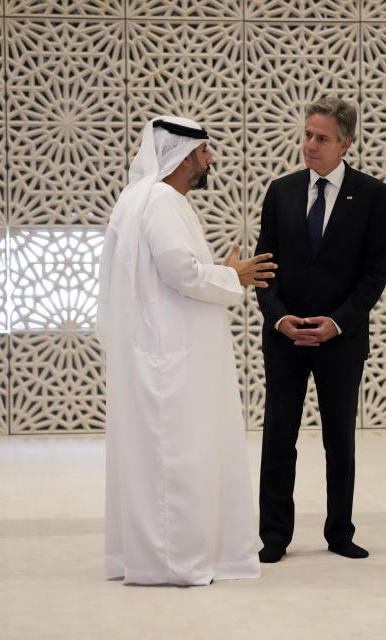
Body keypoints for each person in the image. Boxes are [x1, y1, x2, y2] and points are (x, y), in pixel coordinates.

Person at [96, 116, 276, 585]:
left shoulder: (142, 199)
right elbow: (182, 271)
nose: (210, 159)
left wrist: (218, 272)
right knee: (175, 458)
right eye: (204, 151)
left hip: (160, 352)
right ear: (182, 155)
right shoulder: (160, 201)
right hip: (168, 359)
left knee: (161, 457)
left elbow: (173, 272)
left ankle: (156, 556)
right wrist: (232, 275)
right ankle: (175, 562)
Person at [254, 97, 386, 563]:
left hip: (341, 341)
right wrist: (279, 318)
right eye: (307, 135)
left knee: (339, 439)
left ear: (345, 144)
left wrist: (336, 323)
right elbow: (263, 268)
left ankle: (339, 532)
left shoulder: (372, 195)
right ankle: (274, 535)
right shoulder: (281, 191)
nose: (310, 145)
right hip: (284, 338)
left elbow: (375, 274)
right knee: (278, 437)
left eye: (322, 138)